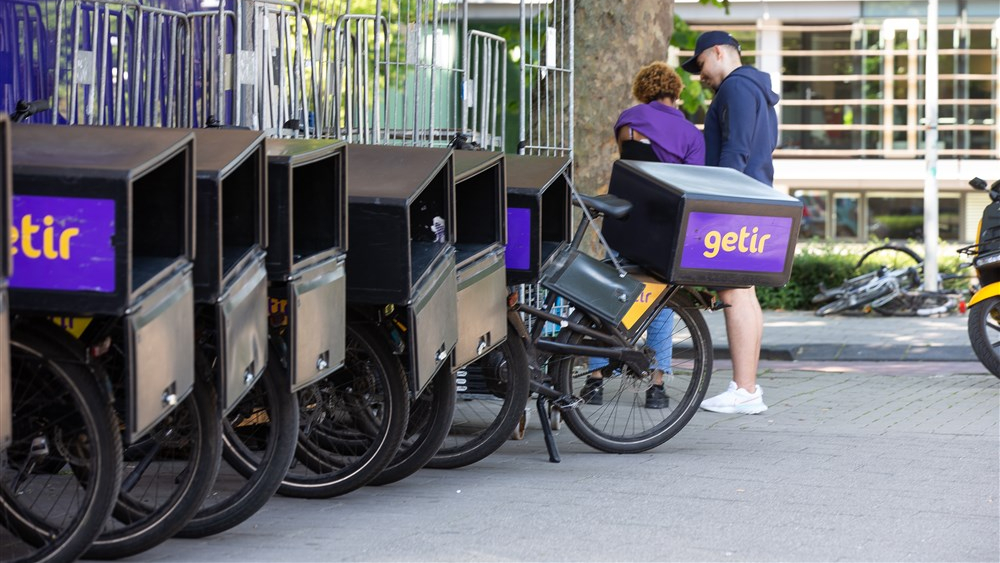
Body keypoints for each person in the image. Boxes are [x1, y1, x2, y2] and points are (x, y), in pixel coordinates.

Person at [581, 61, 705, 410]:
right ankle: (657, 386)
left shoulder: (628, 119)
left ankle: (595, 380)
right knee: (661, 302)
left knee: (609, 293)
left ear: (643, 89)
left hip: (624, 218)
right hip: (665, 226)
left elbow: (631, 164)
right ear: (676, 92)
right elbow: (695, 186)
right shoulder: (693, 135)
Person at [681, 30, 780, 415]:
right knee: (745, 293)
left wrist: (715, 203)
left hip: (736, 203)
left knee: (732, 293)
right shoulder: (755, 90)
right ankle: (748, 389)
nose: (700, 75)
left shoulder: (736, 88)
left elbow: (736, 150)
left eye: (701, 64)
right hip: (754, 199)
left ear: (719, 52)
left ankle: (744, 389)